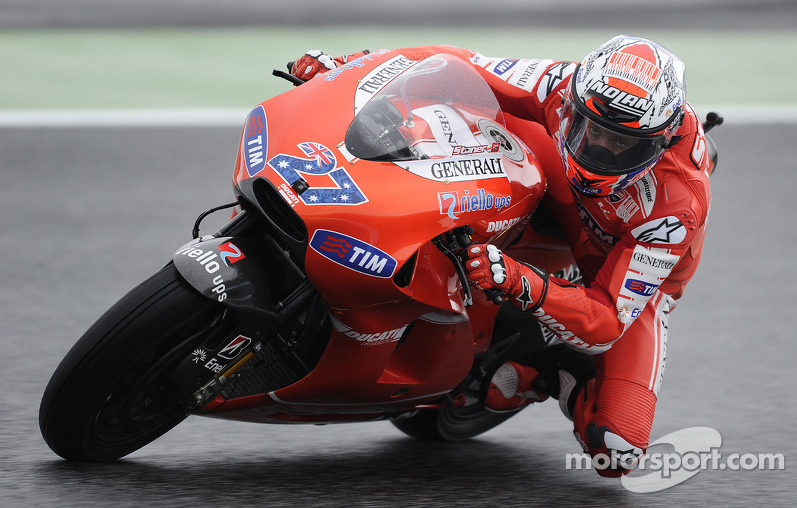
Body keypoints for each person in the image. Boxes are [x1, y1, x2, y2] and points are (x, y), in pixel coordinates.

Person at [289, 36, 712, 477]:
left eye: (622, 144)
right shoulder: (565, 83)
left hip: (619, 265)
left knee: (617, 449)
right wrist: (343, 68)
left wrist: (518, 281)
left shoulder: (675, 205)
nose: (597, 150)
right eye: (589, 129)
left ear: (659, 142)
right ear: (574, 102)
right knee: (459, 105)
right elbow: (455, 64)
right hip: (559, 180)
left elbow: (606, 322)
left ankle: (548, 369)